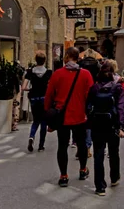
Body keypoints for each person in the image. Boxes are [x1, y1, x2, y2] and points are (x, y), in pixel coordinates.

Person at [44, 47, 94, 187]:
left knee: (62, 145)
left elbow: (49, 96)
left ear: (66, 57)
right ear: (78, 58)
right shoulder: (86, 74)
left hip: (62, 116)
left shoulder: (58, 74)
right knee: (82, 144)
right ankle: (83, 170)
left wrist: (48, 113)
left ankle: (64, 176)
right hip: (79, 116)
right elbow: (90, 95)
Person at [87, 62, 124, 196]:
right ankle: (114, 177)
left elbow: (88, 107)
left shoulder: (94, 88)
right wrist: (121, 127)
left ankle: (100, 186)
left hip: (97, 125)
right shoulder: (117, 88)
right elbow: (120, 109)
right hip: (112, 125)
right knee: (114, 152)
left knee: (98, 154)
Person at [22, 51, 52, 152]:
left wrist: (30, 90)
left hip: (34, 98)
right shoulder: (48, 73)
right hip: (44, 98)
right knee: (44, 122)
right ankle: (41, 146)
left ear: (36, 60)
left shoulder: (30, 72)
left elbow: (23, 87)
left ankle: (31, 137)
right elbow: (51, 87)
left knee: (35, 121)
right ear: (45, 61)